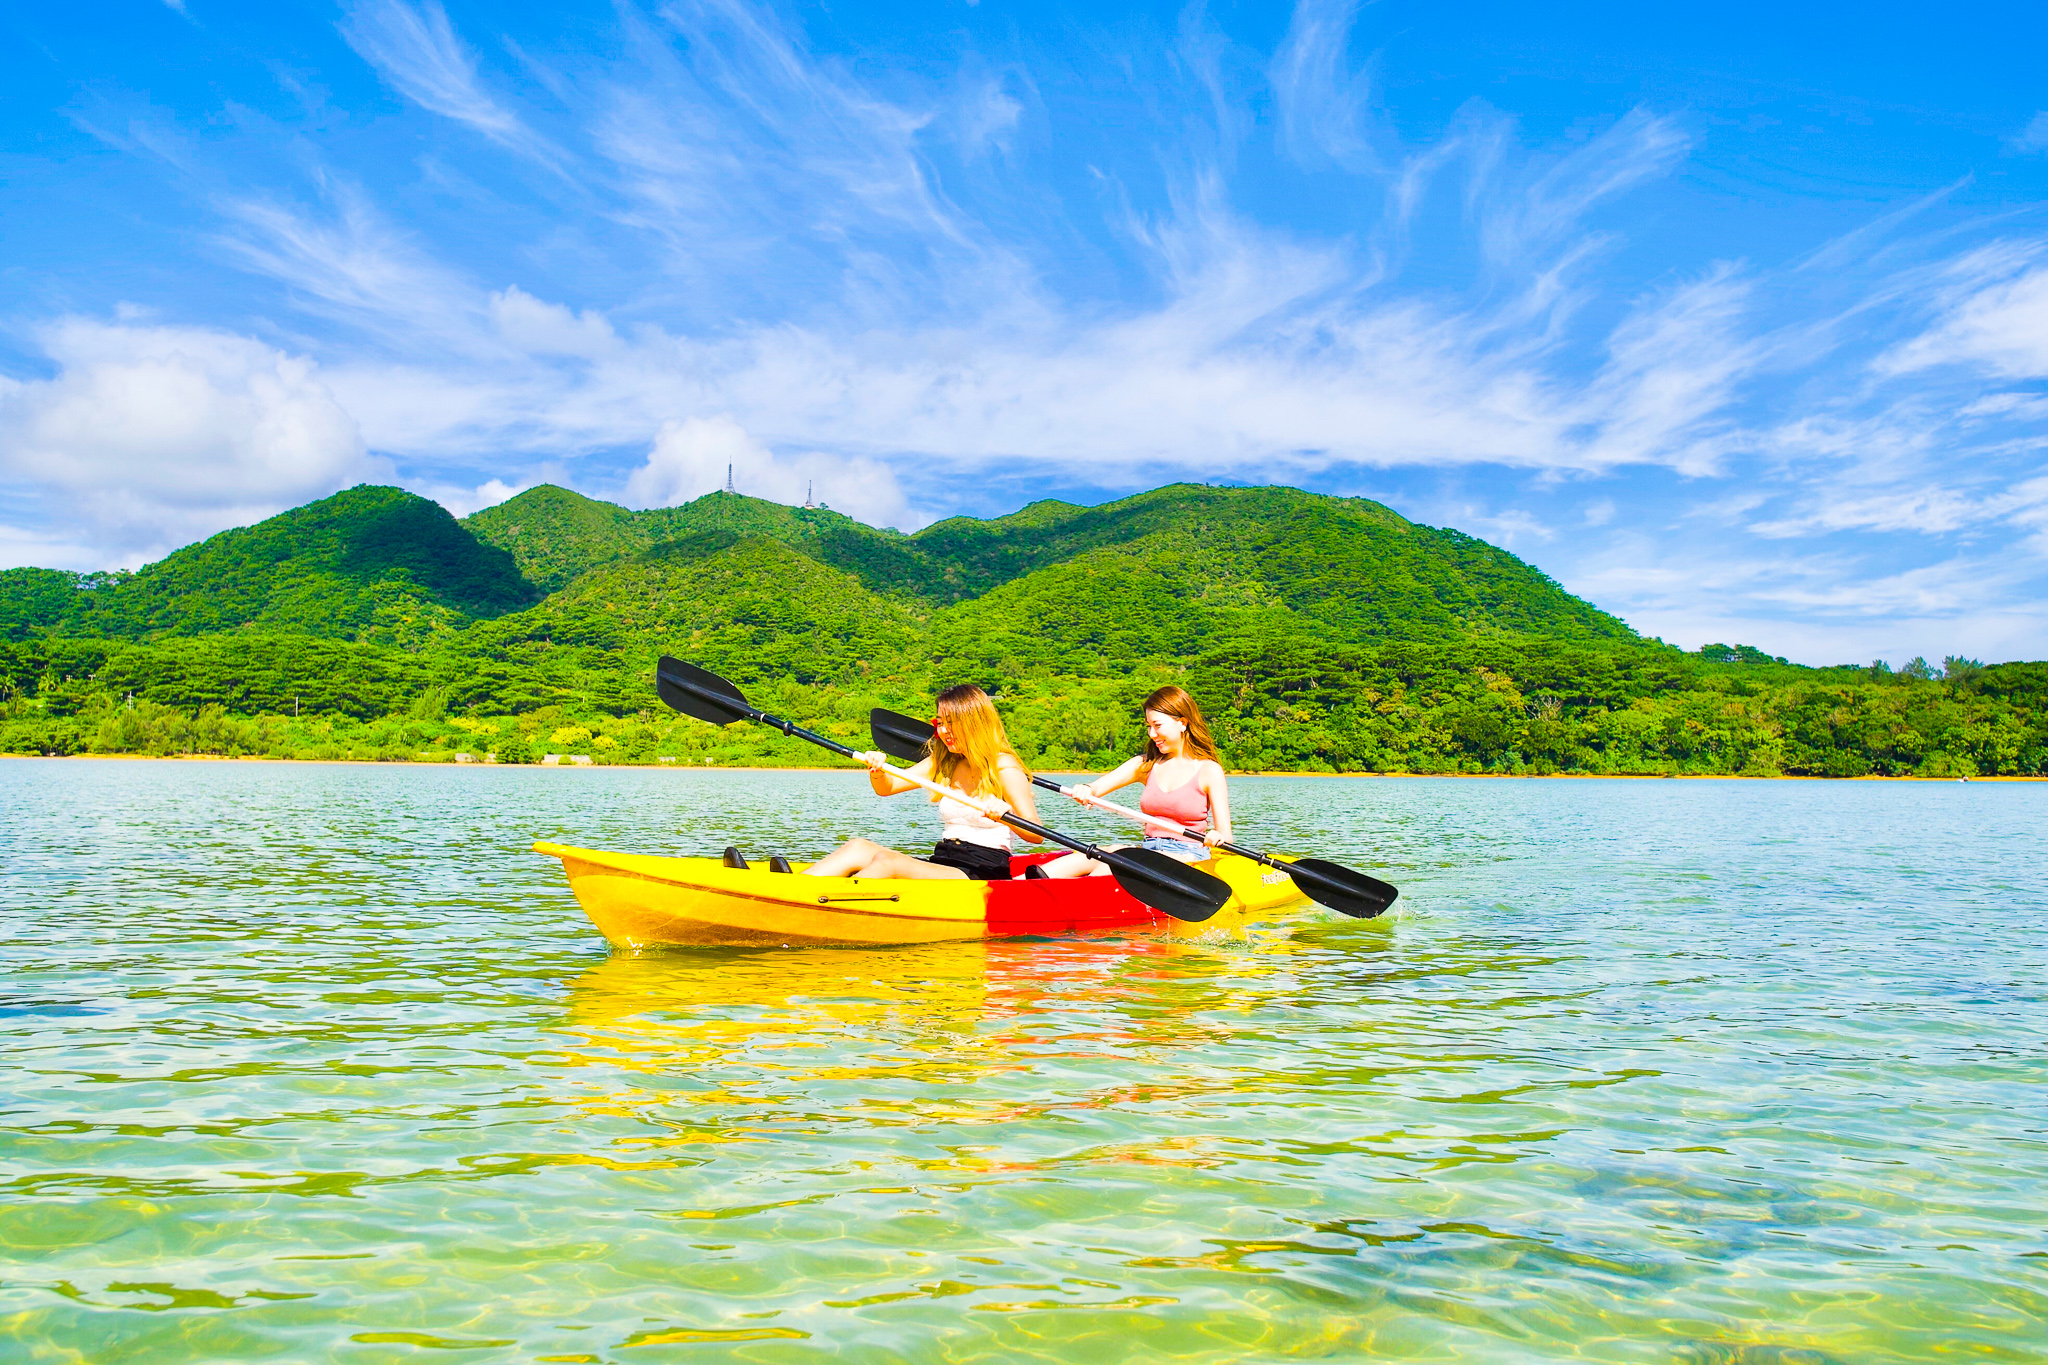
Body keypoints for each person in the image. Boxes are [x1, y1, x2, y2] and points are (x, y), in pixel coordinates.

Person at [802, 683, 1042, 880]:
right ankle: (794, 888)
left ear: (973, 723)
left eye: (951, 723)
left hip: (982, 871)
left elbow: (1036, 834)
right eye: (940, 723)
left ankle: (829, 904)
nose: (944, 731)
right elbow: (888, 788)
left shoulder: (1004, 767)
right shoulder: (943, 761)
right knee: (858, 847)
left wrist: (1007, 814)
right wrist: (878, 770)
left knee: (889, 862)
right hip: (944, 860)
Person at [1041, 685, 1231, 877]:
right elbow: (1096, 788)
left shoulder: (1208, 770)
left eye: (1157, 725)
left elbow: (1226, 836)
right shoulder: (1145, 764)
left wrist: (1216, 837)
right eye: (1149, 726)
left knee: (1113, 865)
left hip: (1189, 855)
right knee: (1091, 856)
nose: (1152, 734)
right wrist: (1086, 789)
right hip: (1148, 850)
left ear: (1182, 723)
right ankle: (1027, 883)